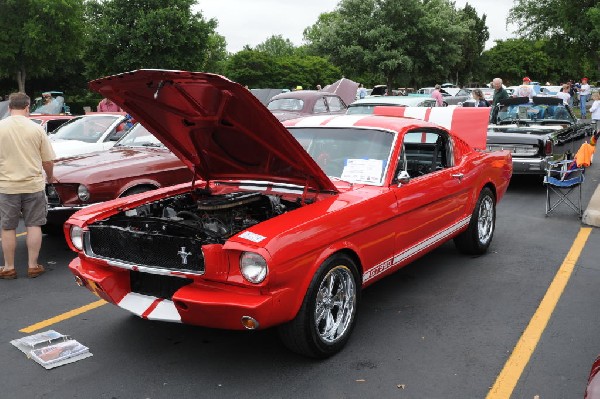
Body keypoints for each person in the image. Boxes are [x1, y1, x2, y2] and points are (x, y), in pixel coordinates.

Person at [0, 92, 55, 279]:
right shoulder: (36, 129)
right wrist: (51, 176)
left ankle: (8, 267)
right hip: (33, 185)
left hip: (7, 186)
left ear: (9, 107)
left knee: (8, 227)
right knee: (34, 225)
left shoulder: (0, 127)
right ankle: (33, 266)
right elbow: (47, 160)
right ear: (27, 107)